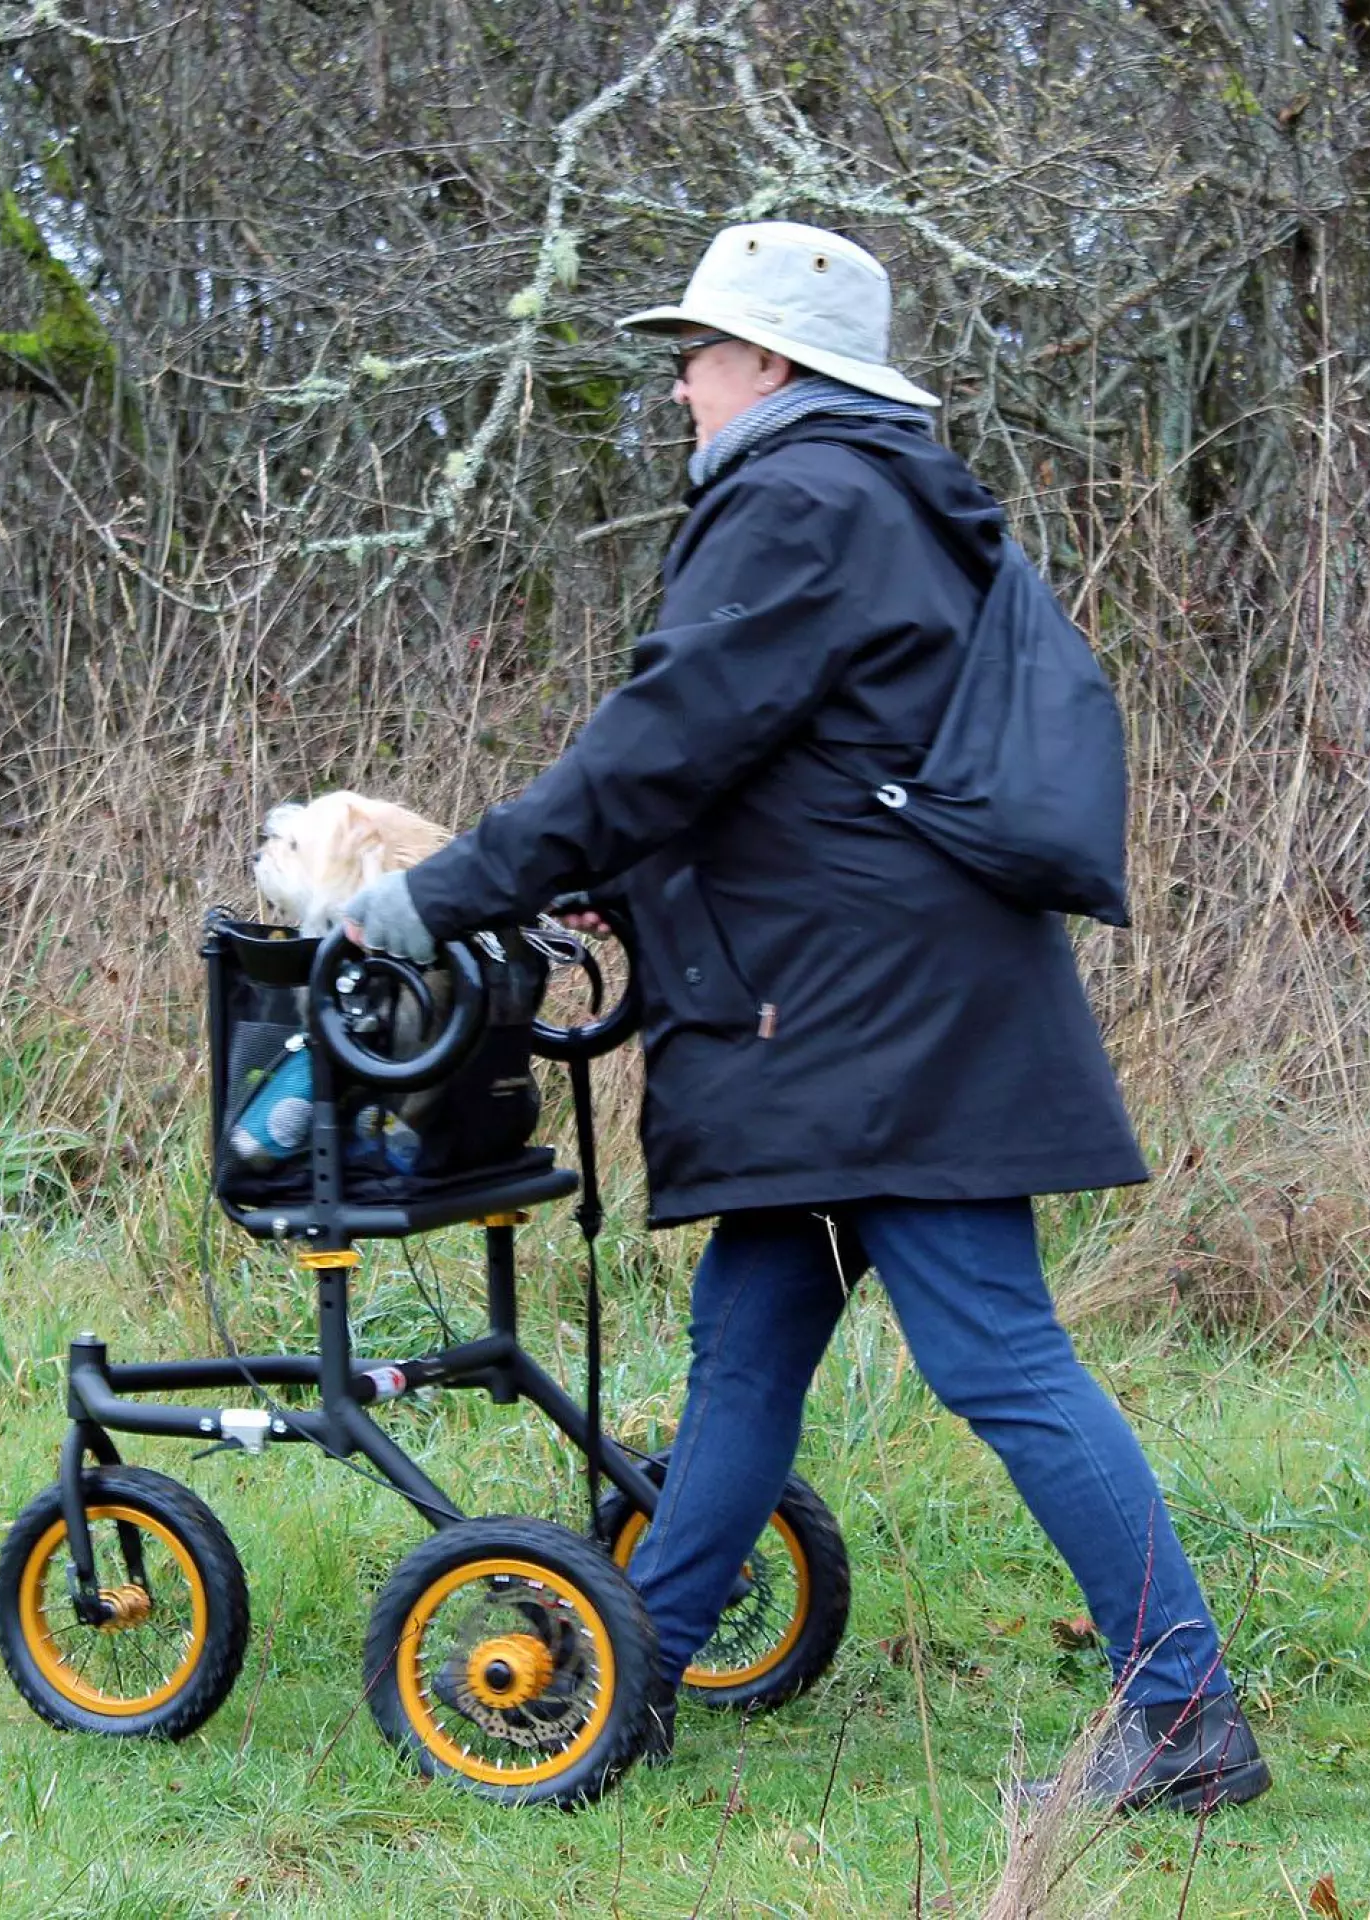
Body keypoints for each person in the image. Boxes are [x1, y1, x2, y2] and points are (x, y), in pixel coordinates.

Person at [341, 221, 1268, 1813]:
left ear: (768, 363)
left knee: (999, 1358)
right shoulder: (884, 495)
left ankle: (1180, 1713)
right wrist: (612, 893)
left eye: (695, 357)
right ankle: (634, 1670)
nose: (680, 389)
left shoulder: (800, 497)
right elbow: (792, 772)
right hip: (846, 1003)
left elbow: (665, 745)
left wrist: (453, 887)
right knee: (748, 1343)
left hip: (868, 1019)